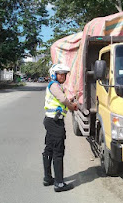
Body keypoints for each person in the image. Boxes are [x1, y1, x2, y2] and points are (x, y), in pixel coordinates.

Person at [42, 64, 78, 192]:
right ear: (54, 74)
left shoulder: (56, 86)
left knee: (49, 149)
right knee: (58, 152)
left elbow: (62, 100)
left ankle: (48, 178)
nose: (63, 76)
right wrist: (71, 105)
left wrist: (71, 100)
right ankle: (59, 183)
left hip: (51, 121)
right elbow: (62, 100)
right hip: (55, 123)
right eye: (60, 74)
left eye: (64, 74)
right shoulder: (54, 85)